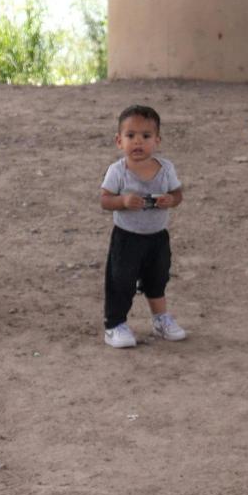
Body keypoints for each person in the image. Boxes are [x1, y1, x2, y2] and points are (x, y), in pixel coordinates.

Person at [99, 104, 187, 348]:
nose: (138, 142)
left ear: (157, 140)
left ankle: (161, 320)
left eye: (145, 136)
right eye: (130, 136)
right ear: (119, 141)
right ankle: (115, 324)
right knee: (121, 281)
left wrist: (171, 200)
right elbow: (105, 200)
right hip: (127, 238)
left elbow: (177, 194)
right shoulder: (118, 171)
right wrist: (123, 201)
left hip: (157, 237)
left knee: (157, 279)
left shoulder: (165, 168)